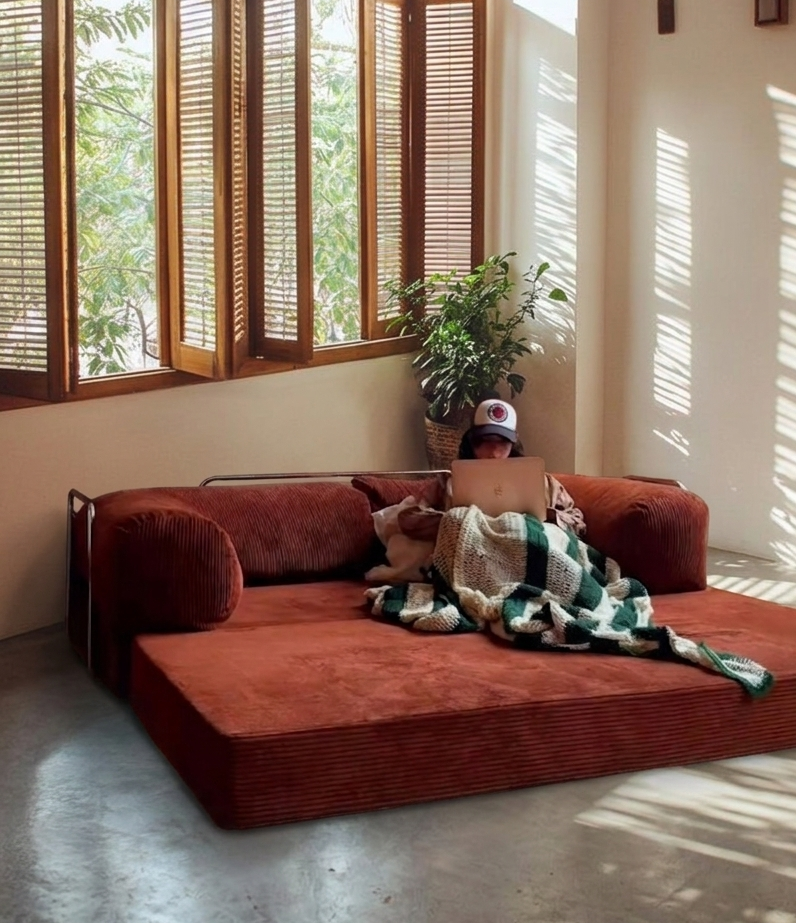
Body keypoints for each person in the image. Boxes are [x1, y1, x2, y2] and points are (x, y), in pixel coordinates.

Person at [455, 398, 586, 536]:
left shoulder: (544, 483)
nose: (494, 453)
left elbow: (578, 524)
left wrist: (547, 516)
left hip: (527, 544)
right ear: (472, 442)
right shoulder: (452, 484)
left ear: (513, 443)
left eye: (503, 442)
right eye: (486, 441)